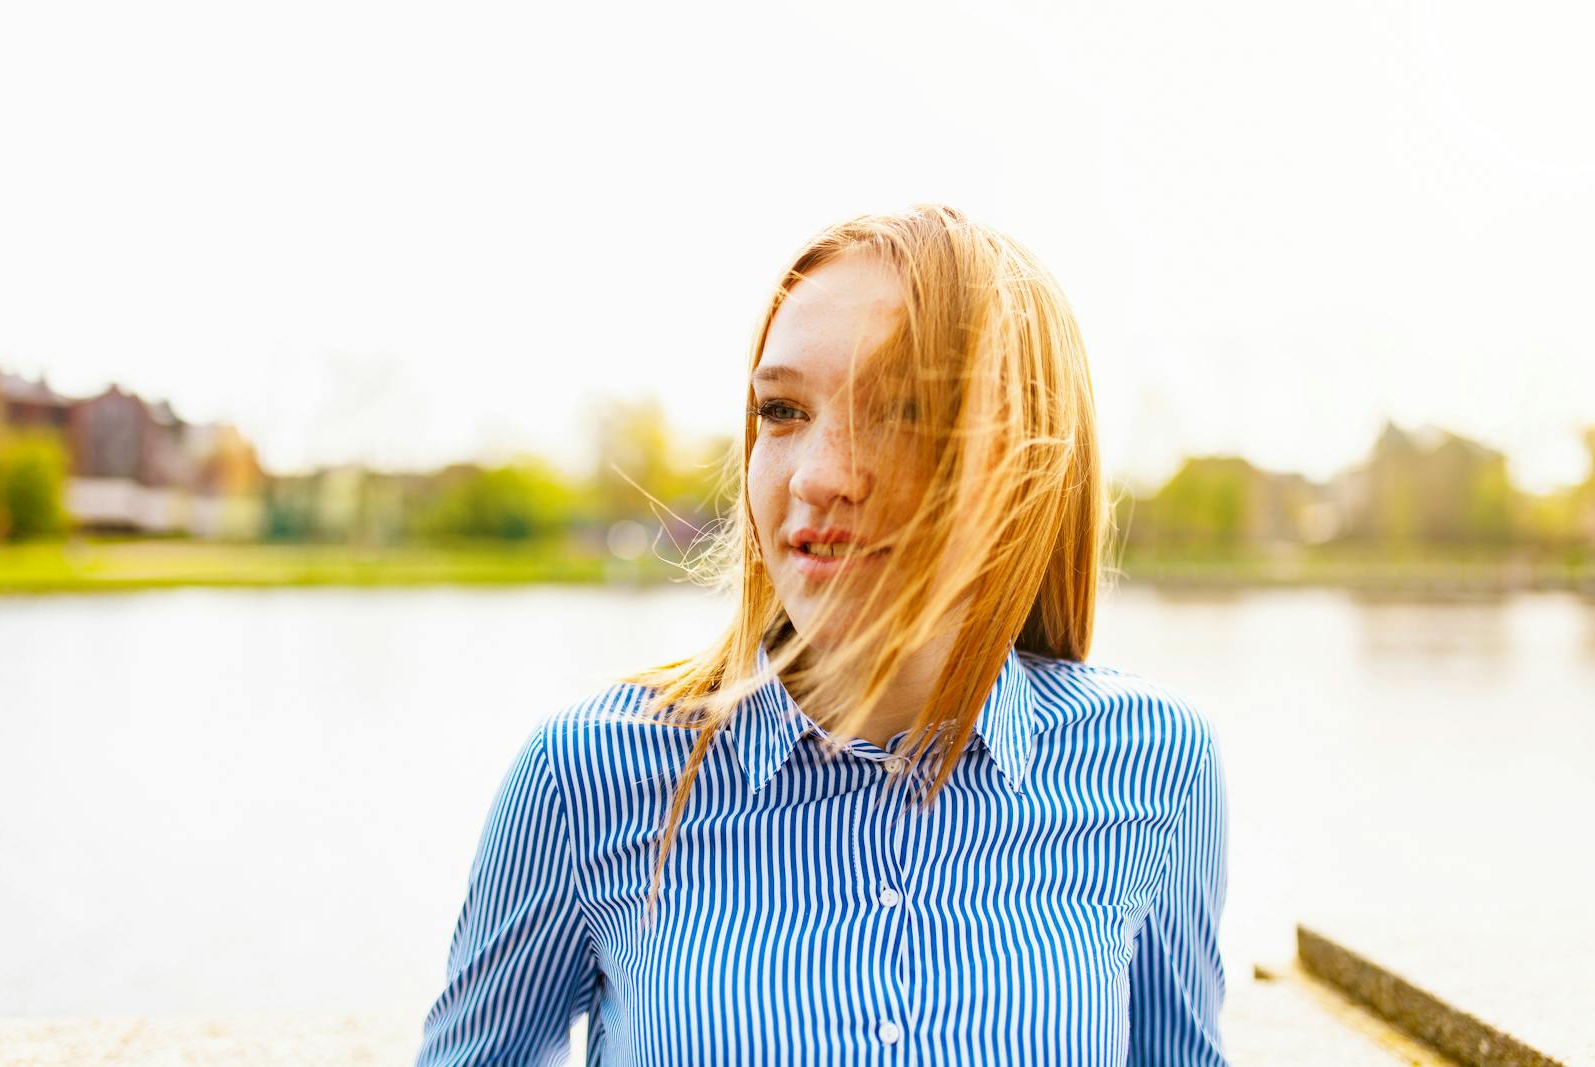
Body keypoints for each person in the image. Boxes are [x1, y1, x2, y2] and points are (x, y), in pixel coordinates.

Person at [414, 203, 1229, 1065]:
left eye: (904, 409)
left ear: (1023, 461)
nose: (821, 475)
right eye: (782, 410)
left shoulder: (1158, 765)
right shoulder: (587, 778)